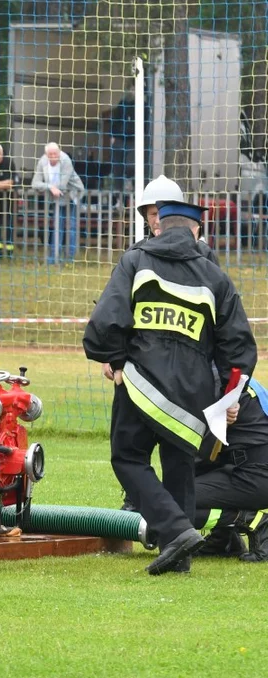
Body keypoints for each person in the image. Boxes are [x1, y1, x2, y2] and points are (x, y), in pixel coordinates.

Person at [83, 199, 257, 575]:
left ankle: (176, 530)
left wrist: (113, 360)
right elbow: (239, 349)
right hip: (194, 391)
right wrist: (229, 397)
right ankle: (180, 557)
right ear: (196, 232)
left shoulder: (136, 260)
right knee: (179, 466)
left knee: (128, 459)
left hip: (141, 382)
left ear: (158, 227)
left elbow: (105, 321)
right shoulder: (216, 278)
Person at [191, 377, 268, 562]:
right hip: (253, 471)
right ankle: (224, 540)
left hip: (255, 475)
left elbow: (203, 454)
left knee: (174, 499)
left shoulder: (218, 384)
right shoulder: (242, 380)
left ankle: (253, 521)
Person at [31, 142, 84, 264]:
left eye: (55, 153)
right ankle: (54, 257)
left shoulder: (66, 160)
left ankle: (69, 258)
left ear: (59, 153)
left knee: (71, 225)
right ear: (46, 154)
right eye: (50, 154)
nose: (53, 156)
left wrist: (49, 187)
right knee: (56, 226)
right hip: (55, 197)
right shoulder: (42, 161)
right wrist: (49, 186)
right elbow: (35, 183)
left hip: (72, 195)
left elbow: (62, 185)